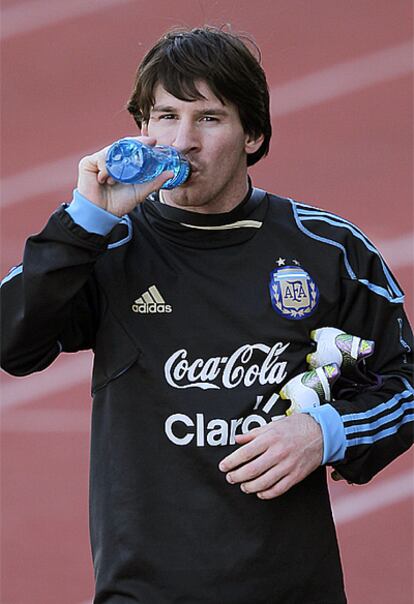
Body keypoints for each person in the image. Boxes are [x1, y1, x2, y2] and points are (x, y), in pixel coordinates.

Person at [1, 26, 413, 604]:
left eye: (210, 118)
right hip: (144, 591)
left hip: (290, 588)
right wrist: (84, 221)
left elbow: (403, 385)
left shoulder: (328, 251)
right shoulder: (105, 246)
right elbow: (11, 342)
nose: (184, 140)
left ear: (255, 133)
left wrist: (327, 431)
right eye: (165, 116)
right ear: (142, 129)